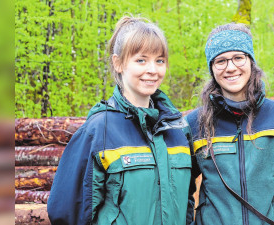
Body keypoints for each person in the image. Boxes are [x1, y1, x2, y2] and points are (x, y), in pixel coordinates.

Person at [48, 16, 192, 225]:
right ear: (119, 63)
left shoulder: (177, 129)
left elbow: (186, 202)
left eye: (159, 60)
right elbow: (68, 212)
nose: (152, 70)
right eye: (141, 60)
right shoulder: (99, 131)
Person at [185, 23, 274, 225]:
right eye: (220, 61)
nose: (230, 67)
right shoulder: (194, 125)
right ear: (212, 68)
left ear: (251, 61)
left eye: (238, 57)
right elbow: (182, 189)